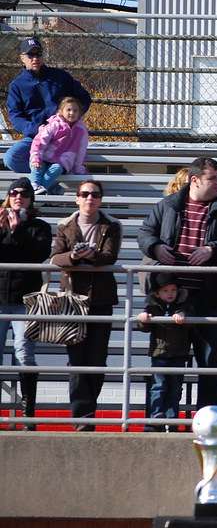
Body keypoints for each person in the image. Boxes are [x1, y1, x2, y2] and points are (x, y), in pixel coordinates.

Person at [137, 157, 217, 409]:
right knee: (166, 364)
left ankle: (208, 421)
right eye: (212, 178)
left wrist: (212, 249)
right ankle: (162, 421)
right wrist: (155, 246)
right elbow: (145, 233)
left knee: (210, 366)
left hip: (211, 301)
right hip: (172, 302)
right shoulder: (168, 205)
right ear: (194, 180)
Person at [50, 180, 122, 431]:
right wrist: (73, 256)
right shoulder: (65, 225)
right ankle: (82, 417)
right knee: (77, 359)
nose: (89, 198)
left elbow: (110, 256)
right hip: (72, 300)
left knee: (97, 359)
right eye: (84, 194)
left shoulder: (111, 224)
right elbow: (56, 257)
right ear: (77, 199)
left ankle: (88, 411)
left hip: (101, 299)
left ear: (101, 199)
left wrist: (90, 255)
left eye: (95, 194)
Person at [0, 178, 52, 430]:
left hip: (24, 301)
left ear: (32, 199)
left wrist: (18, 229)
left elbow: (39, 254)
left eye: (24, 193)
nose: (18, 196)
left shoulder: (38, 226)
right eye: (14, 192)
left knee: (24, 356)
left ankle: (27, 415)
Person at [4, 38, 92, 174]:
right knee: (12, 158)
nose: (35, 58)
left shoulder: (60, 76)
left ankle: (43, 182)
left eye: (38, 53)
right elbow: (16, 116)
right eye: (30, 55)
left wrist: (70, 120)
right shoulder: (17, 85)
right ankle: (51, 185)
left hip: (63, 136)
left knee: (59, 160)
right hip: (35, 136)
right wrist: (36, 129)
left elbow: (84, 98)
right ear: (22, 58)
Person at [137, 271, 192, 432]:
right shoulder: (153, 307)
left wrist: (184, 316)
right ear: (157, 293)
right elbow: (144, 328)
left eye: (173, 290)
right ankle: (156, 416)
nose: (170, 294)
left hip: (178, 354)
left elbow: (191, 321)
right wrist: (144, 317)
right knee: (158, 386)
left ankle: (172, 419)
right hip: (159, 354)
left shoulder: (183, 306)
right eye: (166, 290)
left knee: (175, 389)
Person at [28, 96, 89, 196]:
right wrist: (36, 157)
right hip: (44, 156)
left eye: (75, 110)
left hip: (62, 159)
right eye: (68, 110)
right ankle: (34, 186)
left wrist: (79, 169)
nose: (72, 113)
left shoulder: (81, 129)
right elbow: (39, 142)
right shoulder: (54, 125)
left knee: (56, 169)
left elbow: (81, 150)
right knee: (37, 168)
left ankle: (38, 192)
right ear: (61, 111)